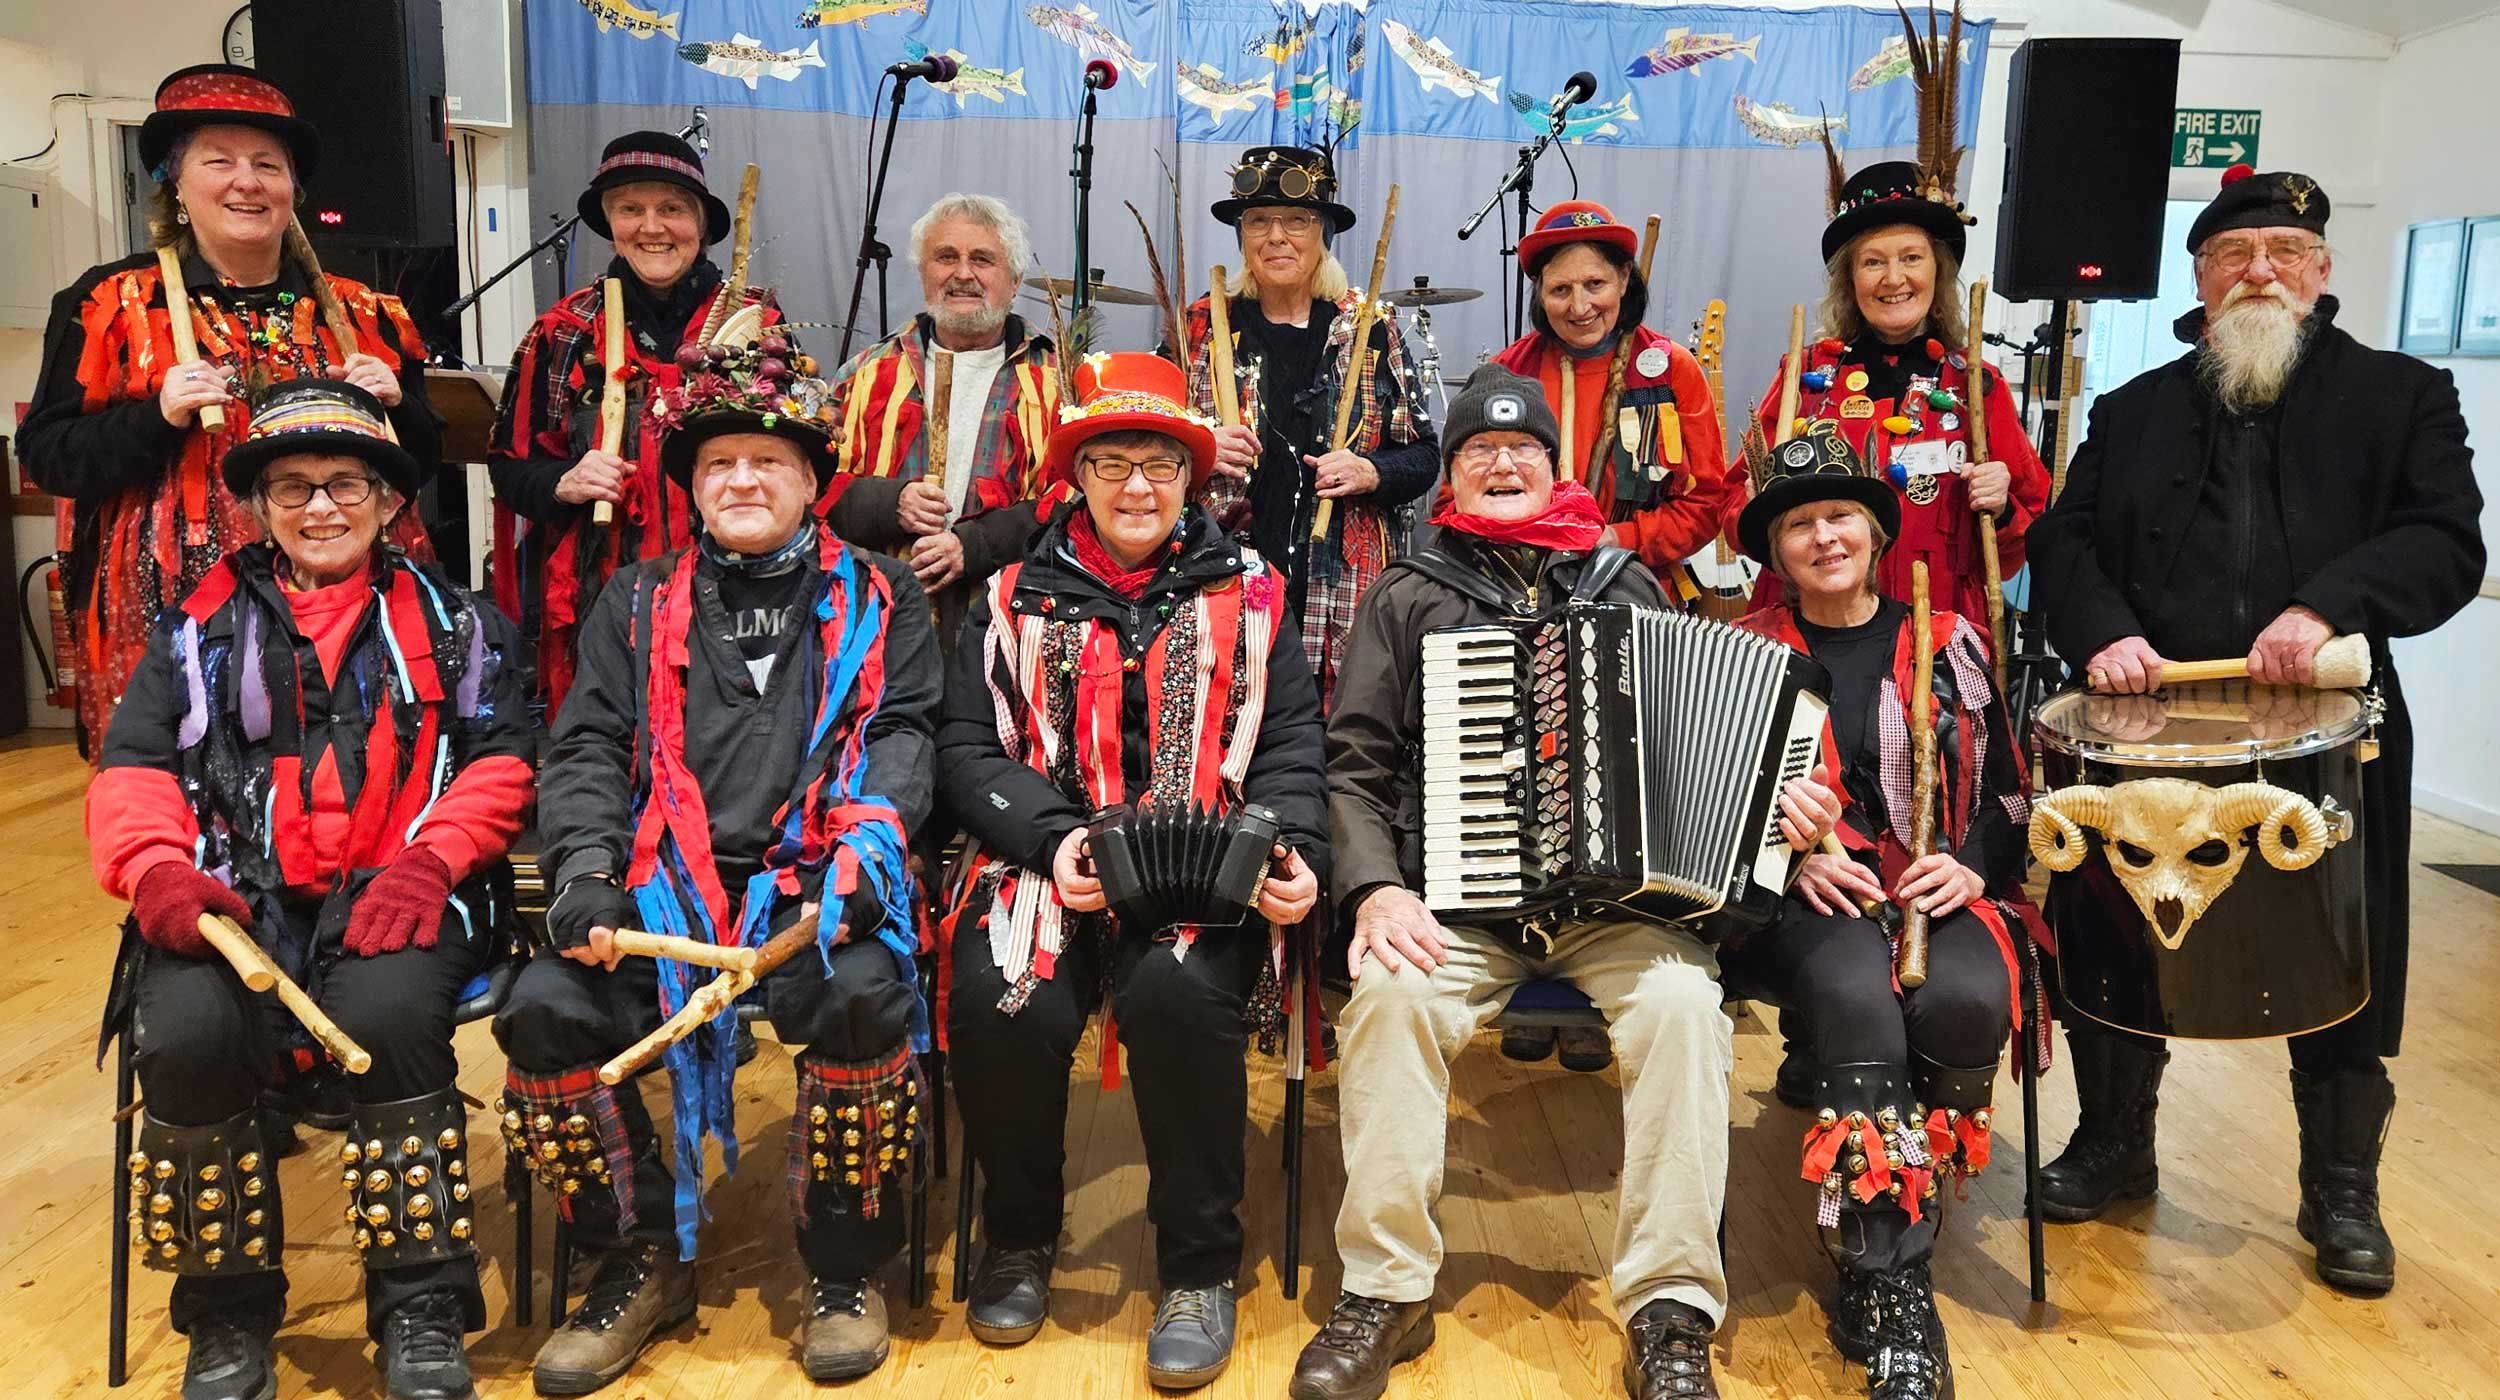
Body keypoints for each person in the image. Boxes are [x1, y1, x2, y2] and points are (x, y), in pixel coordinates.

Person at [1291, 365, 1843, 1400]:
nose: (1503, 463)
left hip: (1617, 910)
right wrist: (1373, 889)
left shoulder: (1622, 581)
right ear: (1448, 477)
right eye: (1478, 453)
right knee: (1390, 999)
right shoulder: (1407, 592)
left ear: (1554, 467)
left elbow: (1710, 756)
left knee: (1686, 1004)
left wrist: (1782, 813)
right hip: (1455, 901)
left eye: (1524, 451)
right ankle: (1387, 1286)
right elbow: (1353, 766)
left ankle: (1669, 1304)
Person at [2026, 165, 2483, 1297]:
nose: (2260, 271)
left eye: (2284, 251)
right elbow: (2062, 543)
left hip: (2326, 737)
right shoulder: (2132, 410)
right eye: (2235, 254)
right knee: (2122, 943)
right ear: (2201, 276)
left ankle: (2338, 1187)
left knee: (2340, 956)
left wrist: (2328, 601)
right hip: (2144, 732)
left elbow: (2446, 541)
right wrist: (2106, 631)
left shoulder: (2401, 396)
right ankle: (2114, 1142)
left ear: (2321, 273)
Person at [491, 329, 940, 1392]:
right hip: (659, 889)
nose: (743, 479)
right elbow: (589, 744)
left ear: (813, 482)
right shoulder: (637, 598)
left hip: (810, 887)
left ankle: (840, 1267)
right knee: (544, 1007)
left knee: (866, 990)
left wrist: (864, 854)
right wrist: (588, 868)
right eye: (719, 463)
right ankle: (634, 1253)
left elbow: (908, 733)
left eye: (770, 462)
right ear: (690, 486)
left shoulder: (884, 595)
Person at [87, 380, 532, 1400]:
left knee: (388, 1016)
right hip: (228, 895)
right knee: (189, 1032)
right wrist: (158, 869)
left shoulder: (458, 623)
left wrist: (434, 857)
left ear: (387, 500)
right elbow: (133, 765)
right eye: (292, 486)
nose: (319, 506)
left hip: (404, 886)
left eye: (343, 483)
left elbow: (503, 757)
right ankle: (227, 1312)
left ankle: (419, 1302)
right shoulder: (191, 631)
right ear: (258, 506)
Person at [937, 352, 1328, 1389]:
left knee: (1174, 994)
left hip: (1206, 870)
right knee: (1000, 996)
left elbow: (1293, 745)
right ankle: (1019, 1233)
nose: (1138, 486)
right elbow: (966, 751)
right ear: (1075, 476)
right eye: (1110, 462)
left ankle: (1197, 1266)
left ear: (1192, 475)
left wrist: (1294, 853)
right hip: (1048, 854)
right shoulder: (1009, 595)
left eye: (1159, 461)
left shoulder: (1254, 592)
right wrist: (1048, 836)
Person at [1733, 119, 2050, 1108]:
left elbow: (2030, 511)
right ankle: (1822, 1015)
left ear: (1938, 269)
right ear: (1848, 277)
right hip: (1817, 633)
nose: (1892, 276)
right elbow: (1767, 488)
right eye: (1872, 261)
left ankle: (1926, 1010)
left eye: (1910, 258)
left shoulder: (1973, 383)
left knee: (1931, 816)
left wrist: (2005, 485)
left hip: (1932, 634)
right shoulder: (1813, 378)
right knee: (1821, 816)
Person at [1722, 427, 2036, 1400]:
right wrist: (1786, 848)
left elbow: (2015, 797)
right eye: (1800, 523)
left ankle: (1899, 1221)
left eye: (1840, 517)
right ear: (1774, 549)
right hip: (1806, 897)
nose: (1822, 537)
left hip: (1932, 884)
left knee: (1967, 999)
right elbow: (1700, 802)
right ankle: (1888, 1278)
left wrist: (1973, 869)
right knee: (1859, 1000)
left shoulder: (1951, 639)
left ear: (1875, 530)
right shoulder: (1742, 649)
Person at [22, 63, 437, 755]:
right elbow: (49, 456)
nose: (247, 181)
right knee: (186, 803)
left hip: (344, 608)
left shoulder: (363, 312)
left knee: (350, 782)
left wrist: (399, 409)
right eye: (220, 161)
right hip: (175, 617)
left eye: (268, 165)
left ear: (292, 191)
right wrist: (154, 416)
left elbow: (420, 465)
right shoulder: (112, 304)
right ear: (176, 185)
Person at [1489, 197, 1741, 1072]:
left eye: (1596, 282)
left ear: (1625, 281)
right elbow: (1468, 491)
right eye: (1560, 287)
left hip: (1636, 595)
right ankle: (1525, 956)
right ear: (1538, 292)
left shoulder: (1672, 373)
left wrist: (1619, 542)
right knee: (1532, 775)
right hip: (1522, 606)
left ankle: (1606, 982)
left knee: (1624, 788)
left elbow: (1708, 497)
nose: (1579, 302)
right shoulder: (1508, 372)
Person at [487, 130, 780, 718]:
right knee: (610, 747)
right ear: (609, 222)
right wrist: (562, 482)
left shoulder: (757, 324)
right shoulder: (564, 331)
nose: (652, 227)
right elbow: (510, 468)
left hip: (734, 589)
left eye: (671, 209)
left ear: (701, 223)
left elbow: (797, 463)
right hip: (602, 593)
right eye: (631, 209)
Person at [1178, 144, 1440, 706]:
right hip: (1228, 568)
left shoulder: (1370, 325)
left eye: (1296, 220)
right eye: (1258, 221)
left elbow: (1424, 456)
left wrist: (1370, 471)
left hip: (1341, 583)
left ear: (1322, 231)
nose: (1276, 236)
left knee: (1339, 737)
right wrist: (1198, 445)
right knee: (1232, 726)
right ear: (1242, 235)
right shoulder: (1203, 323)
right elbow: (1150, 445)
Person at [821, 193, 1065, 644]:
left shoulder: (1059, 382)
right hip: (878, 626)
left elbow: (1077, 503)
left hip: (1011, 626)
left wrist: (974, 546)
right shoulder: (866, 373)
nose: (963, 274)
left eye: (983, 260)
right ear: (923, 273)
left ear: (1013, 281)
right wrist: (888, 503)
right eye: (946, 257)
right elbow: (811, 490)